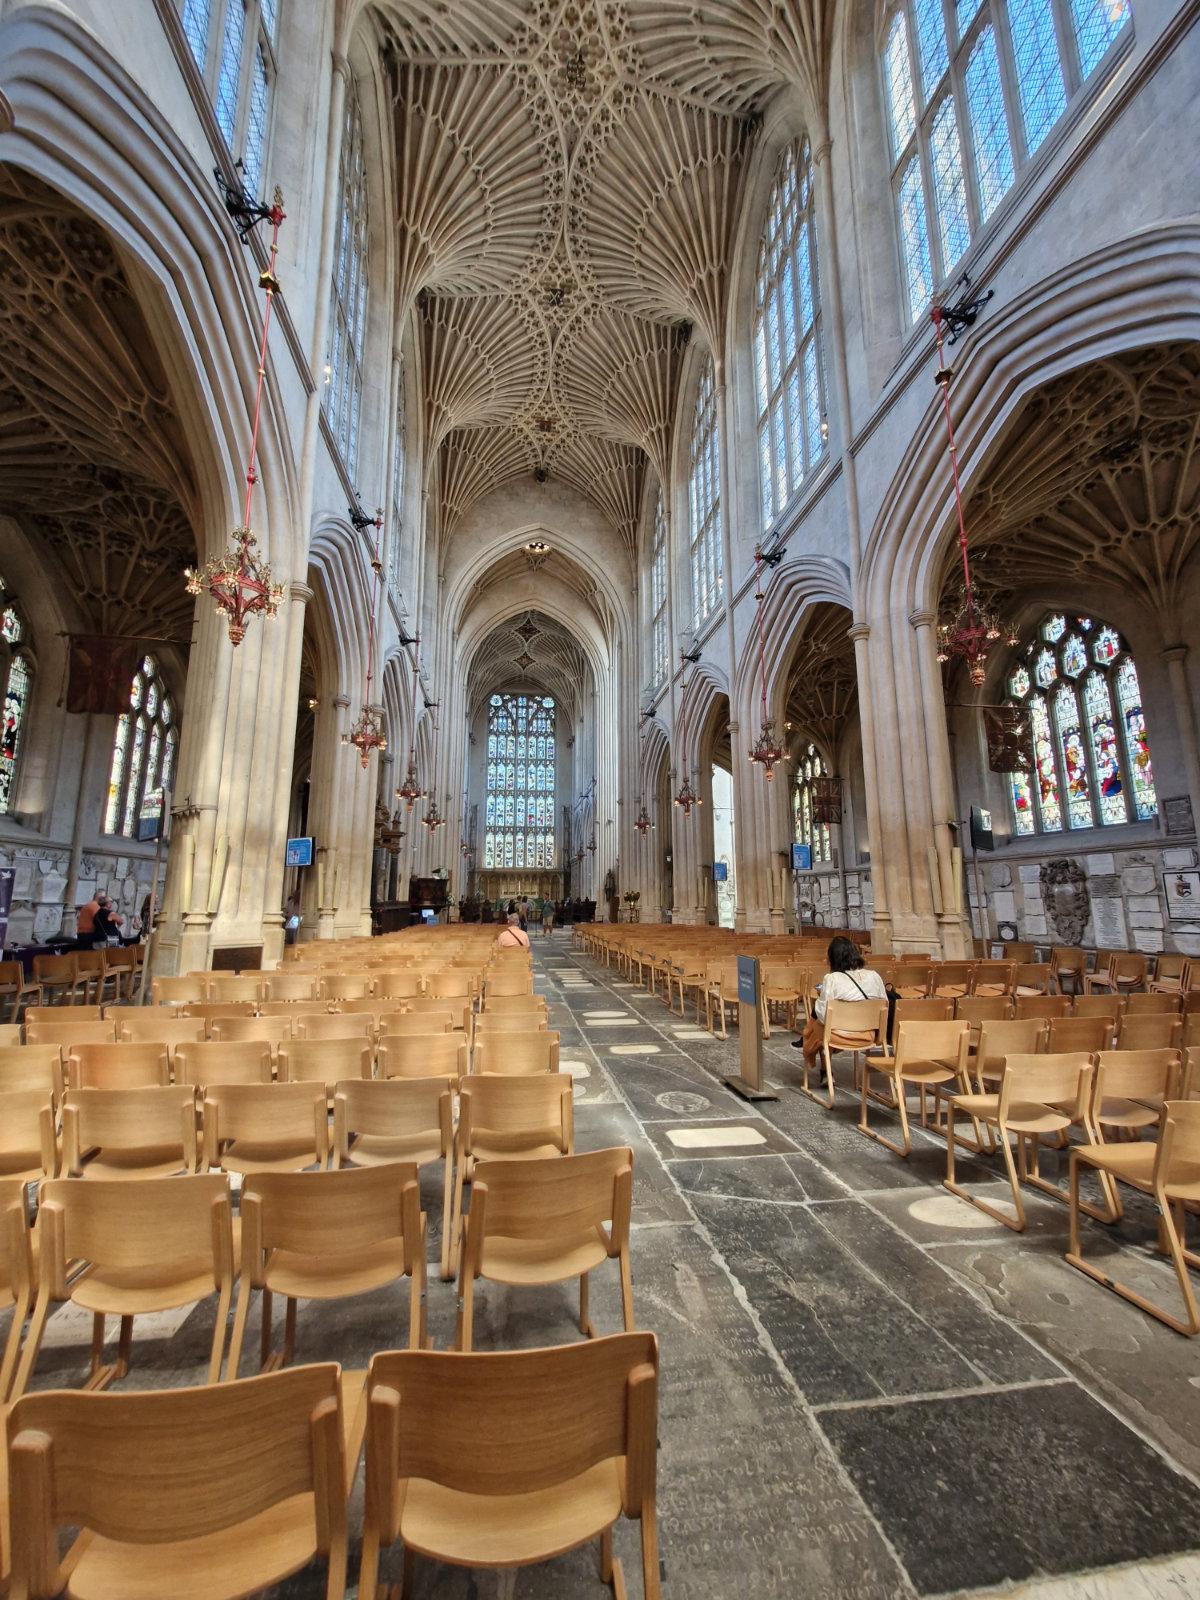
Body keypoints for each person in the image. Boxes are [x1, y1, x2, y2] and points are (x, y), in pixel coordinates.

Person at [793, 936, 888, 1066]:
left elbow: (823, 1015)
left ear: (832, 958)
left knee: (817, 1024)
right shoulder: (874, 976)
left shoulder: (832, 979)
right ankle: (809, 1046)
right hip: (869, 1034)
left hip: (840, 1035)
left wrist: (823, 999)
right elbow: (884, 1004)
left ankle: (812, 1052)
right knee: (823, 1023)